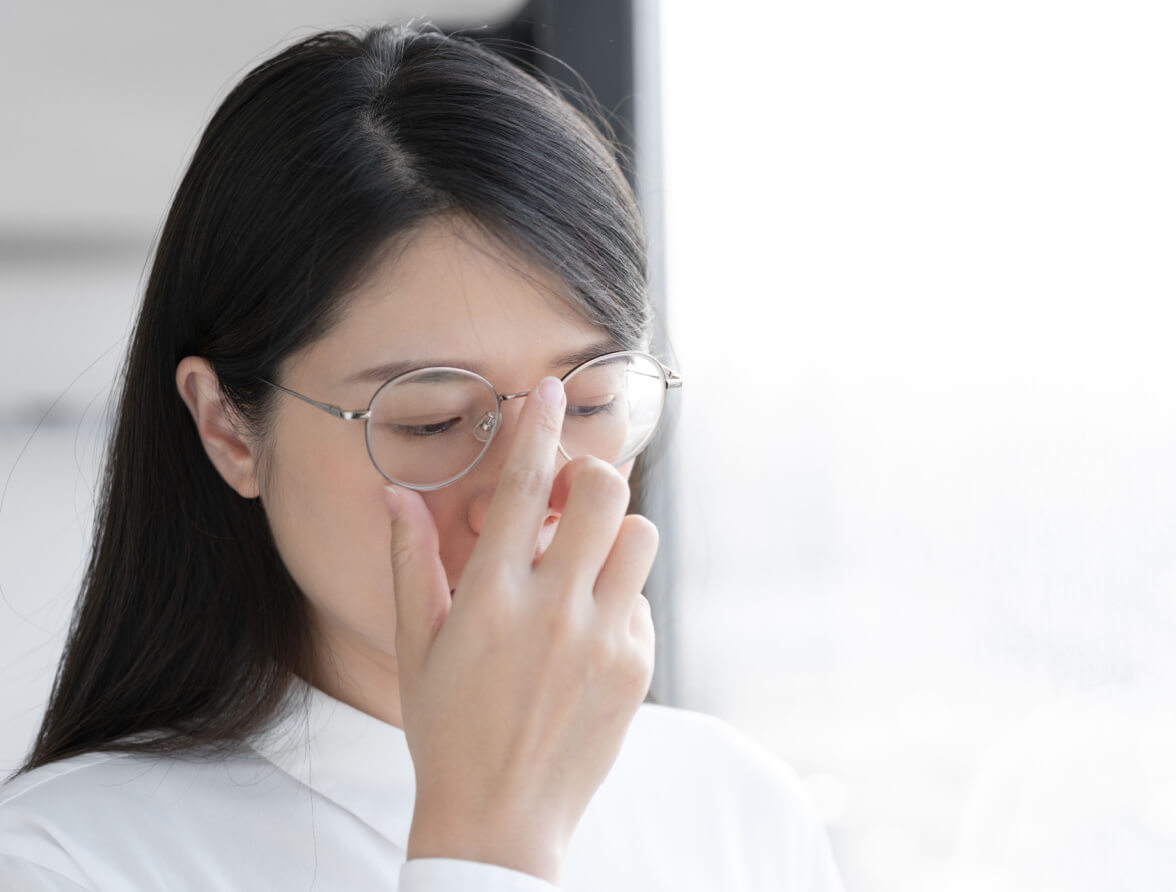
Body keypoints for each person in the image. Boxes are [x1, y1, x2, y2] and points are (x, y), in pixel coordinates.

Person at [0, 23, 844, 892]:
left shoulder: (737, 809)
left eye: (590, 401)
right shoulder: (63, 860)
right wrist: (485, 840)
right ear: (227, 428)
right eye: (432, 419)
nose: (531, 488)